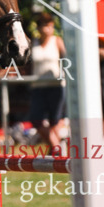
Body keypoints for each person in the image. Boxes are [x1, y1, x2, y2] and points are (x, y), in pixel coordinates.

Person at [27, 12, 66, 153]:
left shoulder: (57, 41)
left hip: (56, 86)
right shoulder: (33, 43)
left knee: (55, 121)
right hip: (37, 86)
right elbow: (26, 64)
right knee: (36, 120)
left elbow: (67, 61)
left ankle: (55, 151)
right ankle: (57, 147)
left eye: (50, 26)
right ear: (38, 28)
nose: (47, 29)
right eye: (44, 26)